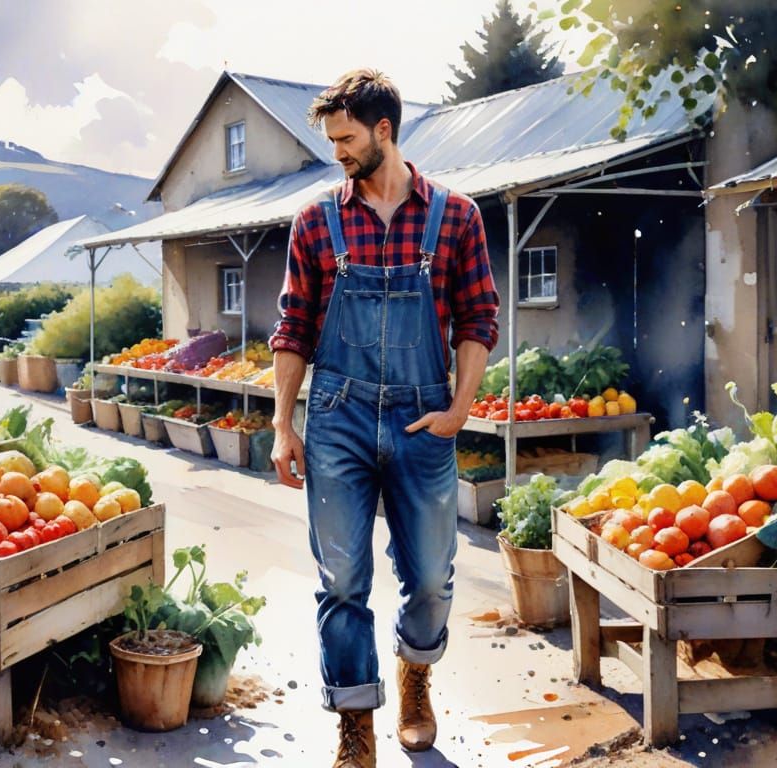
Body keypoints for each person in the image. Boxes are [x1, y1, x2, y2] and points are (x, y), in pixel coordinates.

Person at [268, 68, 500, 767]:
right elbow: (294, 328)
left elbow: (478, 317)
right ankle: (354, 721)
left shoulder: (455, 216)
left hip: (422, 419)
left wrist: (460, 408)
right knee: (341, 581)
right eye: (331, 139)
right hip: (336, 418)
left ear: (384, 131)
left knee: (430, 577)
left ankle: (415, 673)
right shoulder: (316, 220)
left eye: (345, 139)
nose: (336, 152)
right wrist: (284, 423)